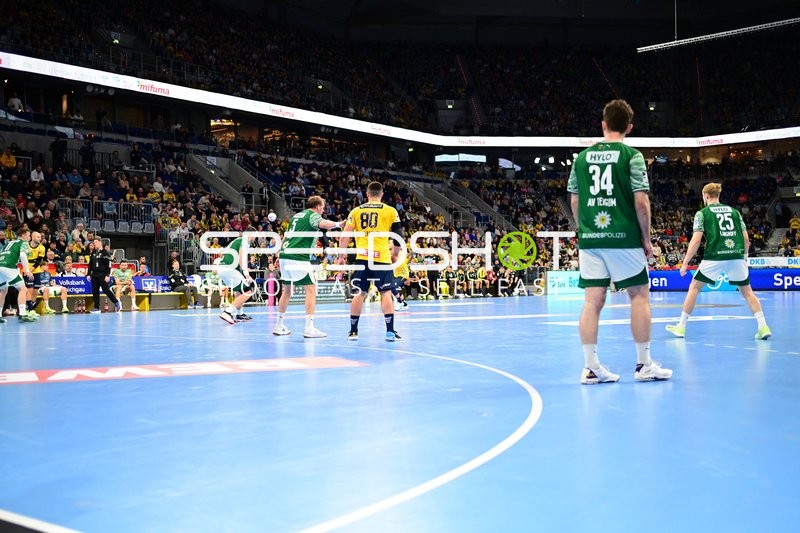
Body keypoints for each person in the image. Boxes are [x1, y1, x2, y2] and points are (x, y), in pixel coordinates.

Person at [567, 99, 672, 384]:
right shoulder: (632, 156)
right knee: (638, 295)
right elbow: (641, 201)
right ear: (629, 127)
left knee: (592, 301)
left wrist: (584, 229)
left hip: (591, 238)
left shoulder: (581, 158)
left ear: (603, 125)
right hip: (623, 237)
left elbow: (575, 200)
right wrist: (646, 238)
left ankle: (590, 368)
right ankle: (644, 364)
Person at [666, 182, 771, 340]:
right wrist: (744, 257)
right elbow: (746, 239)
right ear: (718, 195)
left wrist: (685, 262)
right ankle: (763, 327)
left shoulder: (702, 213)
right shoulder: (735, 212)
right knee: (748, 292)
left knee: (694, 287)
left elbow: (696, 240)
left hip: (715, 256)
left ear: (706, 196)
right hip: (736, 255)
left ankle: (681, 327)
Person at [337, 181, 403, 341]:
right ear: (382, 194)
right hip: (382, 258)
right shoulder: (390, 210)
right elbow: (398, 236)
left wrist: (341, 256)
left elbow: (345, 236)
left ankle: (353, 331)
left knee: (359, 293)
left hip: (363, 257)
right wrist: (395, 254)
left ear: (367, 194)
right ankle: (389, 331)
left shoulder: (356, 211)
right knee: (385, 292)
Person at [273, 195, 343, 338]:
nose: (323, 210)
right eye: (322, 207)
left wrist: (279, 255)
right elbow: (324, 224)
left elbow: (287, 236)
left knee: (287, 291)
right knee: (311, 289)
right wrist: (339, 224)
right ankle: (309, 328)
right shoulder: (312, 215)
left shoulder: (297, 216)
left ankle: (279, 325)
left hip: (285, 255)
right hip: (298, 257)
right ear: (318, 206)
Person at [217, 229, 256, 324]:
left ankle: (239, 314)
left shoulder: (237, 240)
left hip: (223, 268)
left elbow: (222, 254)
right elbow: (242, 258)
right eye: (255, 235)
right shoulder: (244, 241)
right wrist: (246, 274)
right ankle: (227, 312)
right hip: (229, 269)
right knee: (247, 291)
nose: (255, 238)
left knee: (239, 290)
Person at [0, 228, 39, 322]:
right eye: (29, 235)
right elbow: (22, 255)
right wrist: (27, 270)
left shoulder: (8, 243)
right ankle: (22, 314)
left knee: (3, 291)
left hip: (0, 266)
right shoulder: (23, 243)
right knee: (23, 289)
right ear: (23, 235)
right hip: (9, 267)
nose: (29, 237)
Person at [87, 238, 121, 312]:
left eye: (96, 242)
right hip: (94, 274)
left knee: (106, 290)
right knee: (95, 291)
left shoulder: (105, 253)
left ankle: (116, 302)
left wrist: (108, 275)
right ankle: (96, 307)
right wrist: (88, 274)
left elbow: (109, 265)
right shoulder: (93, 252)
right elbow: (90, 264)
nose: (94, 244)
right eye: (94, 242)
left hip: (102, 274)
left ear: (100, 242)